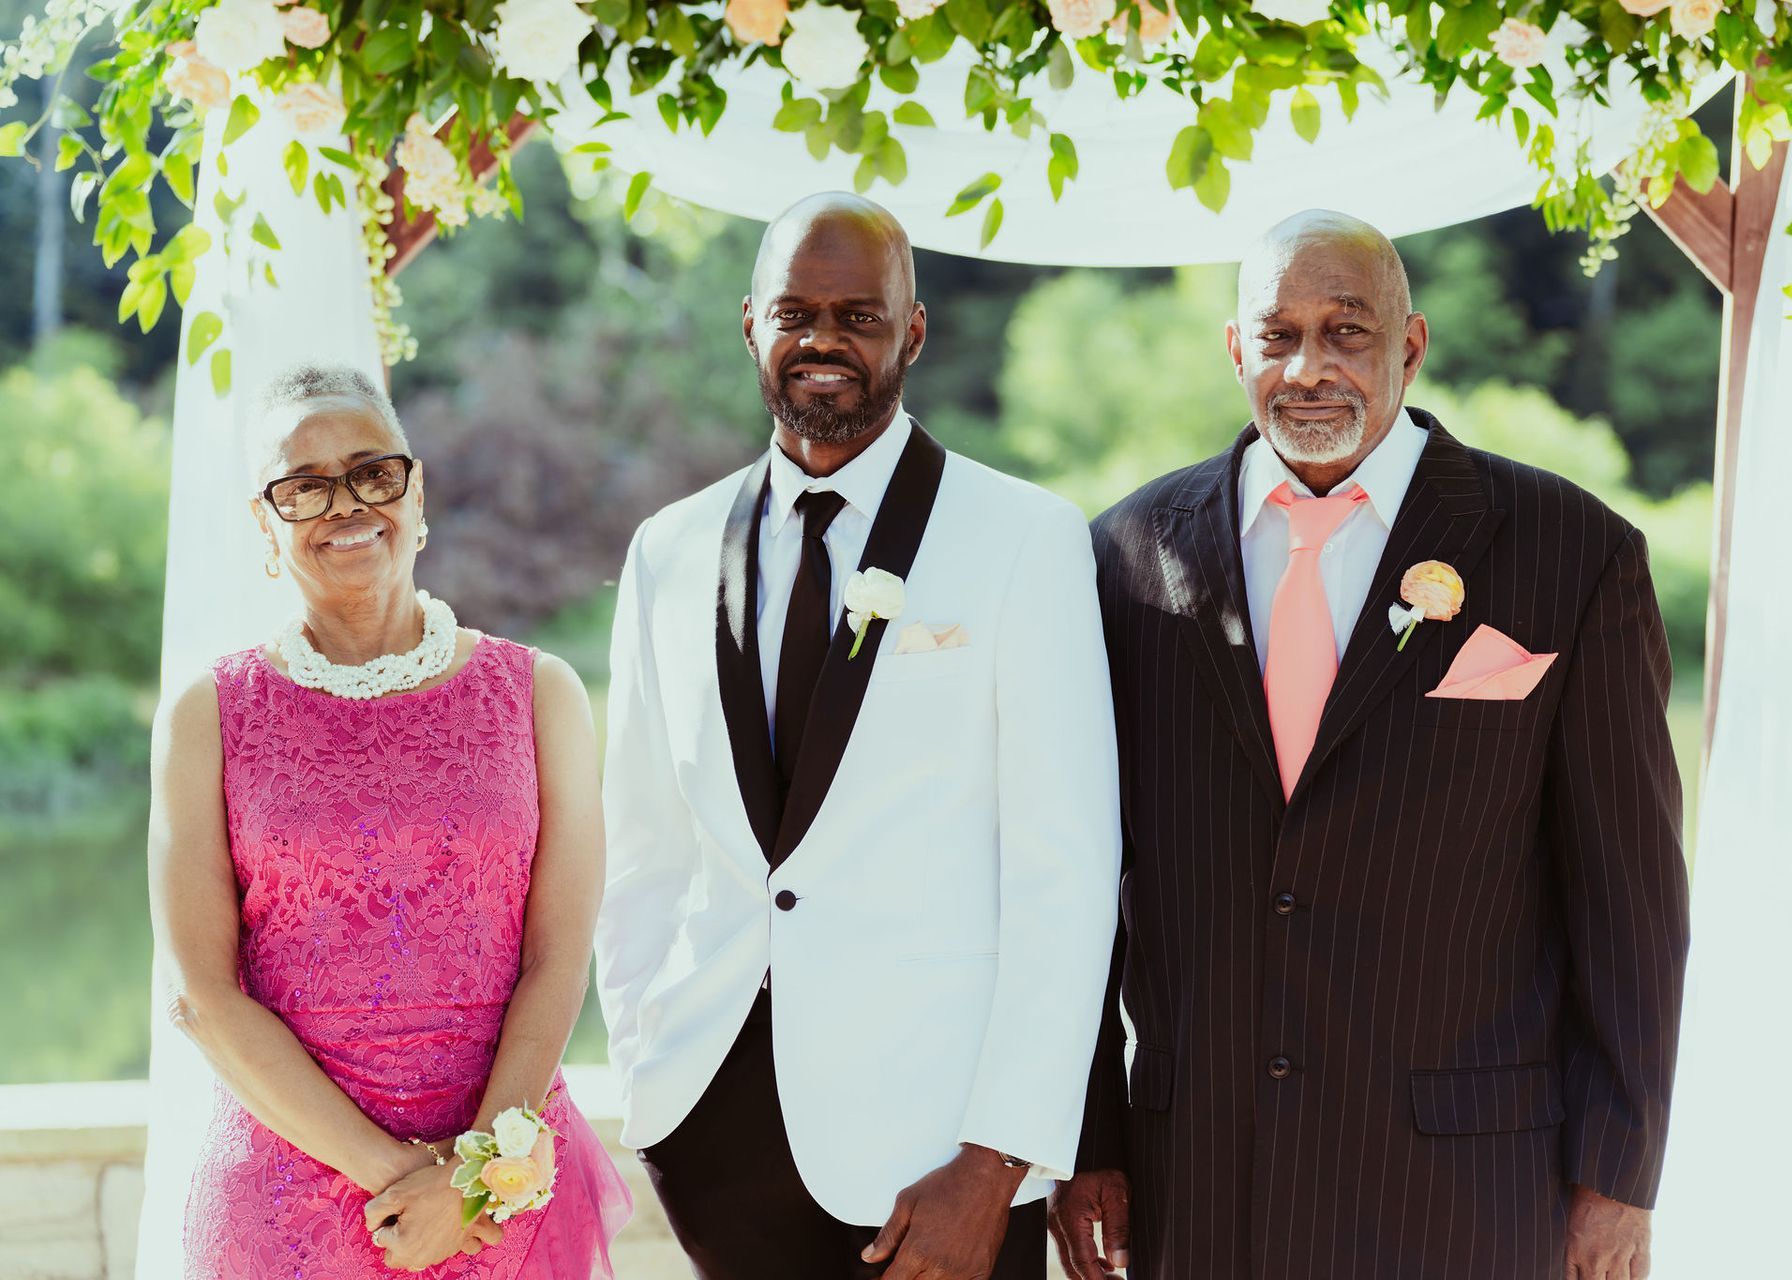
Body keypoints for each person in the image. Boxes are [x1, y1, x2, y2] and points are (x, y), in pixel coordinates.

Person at [1050, 210, 1691, 1280]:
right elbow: (1075, 883)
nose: (1310, 367)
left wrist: (1619, 1176)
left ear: (1411, 343)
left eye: (1347, 331)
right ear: (1234, 348)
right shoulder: (1122, 559)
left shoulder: (1574, 557)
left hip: (1462, 1188)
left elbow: (1630, 908)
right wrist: (1089, 1139)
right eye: (1279, 333)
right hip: (1200, 1175)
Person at [595, 192, 1122, 1280]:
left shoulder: (1026, 539)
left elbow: (1065, 878)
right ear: (751, 324)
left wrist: (998, 1158)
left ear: (913, 331)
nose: (823, 340)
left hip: (939, 1151)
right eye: (796, 311)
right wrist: (653, 1080)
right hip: (716, 1134)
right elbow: (643, 842)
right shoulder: (668, 549)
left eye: (858, 315)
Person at [150, 365, 632, 1277]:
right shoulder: (206, 714)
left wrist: (475, 1176)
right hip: (289, 1199)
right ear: (265, 521)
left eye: (374, 471)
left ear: (417, 493)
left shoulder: (541, 695)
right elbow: (201, 996)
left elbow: (559, 956)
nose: (346, 504)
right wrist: (400, 1178)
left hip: (501, 1191)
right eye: (304, 486)